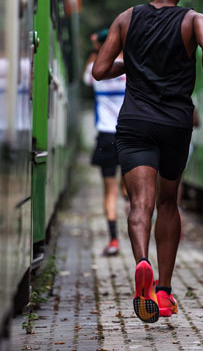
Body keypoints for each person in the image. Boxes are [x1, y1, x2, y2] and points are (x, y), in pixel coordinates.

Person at [92, 0, 203, 323]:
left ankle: (143, 265)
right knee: (168, 203)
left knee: (140, 204)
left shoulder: (126, 19)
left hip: (135, 122)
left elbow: (100, 70)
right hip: (175, 124)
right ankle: (164, 292)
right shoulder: (194, 19)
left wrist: (130, 63)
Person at [83, 29, 127, 256]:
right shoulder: (130, 67)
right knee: (131, 185)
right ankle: (128, 200)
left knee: (109, 191)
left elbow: (86, 78)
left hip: (106, 136)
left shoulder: (95, 70)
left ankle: (113, 241)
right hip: (129, 135)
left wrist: (96, 50)